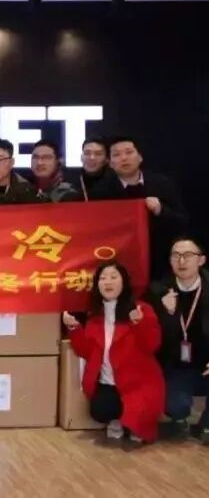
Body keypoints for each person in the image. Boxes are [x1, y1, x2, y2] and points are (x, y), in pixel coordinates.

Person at [64, 261, 164, 445]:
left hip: (137, 383)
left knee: (138, 423)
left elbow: (152, 345)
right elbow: (86, 351)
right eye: (102, 278)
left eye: (113, 277)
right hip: (108, 383)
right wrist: (74, 328)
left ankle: (135, 423)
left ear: (124, 282)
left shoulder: (141, 309)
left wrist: (139, 323)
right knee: (100, 411)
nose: (107, 282)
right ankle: (117, 419)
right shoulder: (95, 315)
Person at [94, 137, 188, 279]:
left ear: (140, 157)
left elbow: (182, 222)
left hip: (161, 265)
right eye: (117, 155)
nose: (124, 158)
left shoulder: (162, 184)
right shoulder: (100, 192)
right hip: (118, 267)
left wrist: (160, 210)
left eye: (129, 152)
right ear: (110, 163)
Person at [145, 237, 209, 443]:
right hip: (177, 367)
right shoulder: (157, 291)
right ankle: (179, 419)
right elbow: (153, 339)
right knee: (175, 406)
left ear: (201, 260)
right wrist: (167, 313)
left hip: (206, 363)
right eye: (176, 256)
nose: (181, 261)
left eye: (188, 255)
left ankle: (206, 425)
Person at [74, 136, 113, 201]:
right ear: (81, 157)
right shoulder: (70, 183)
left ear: (106, 159)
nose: (92, 158)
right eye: (87, 153)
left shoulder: (116, 182)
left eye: (98, 154)